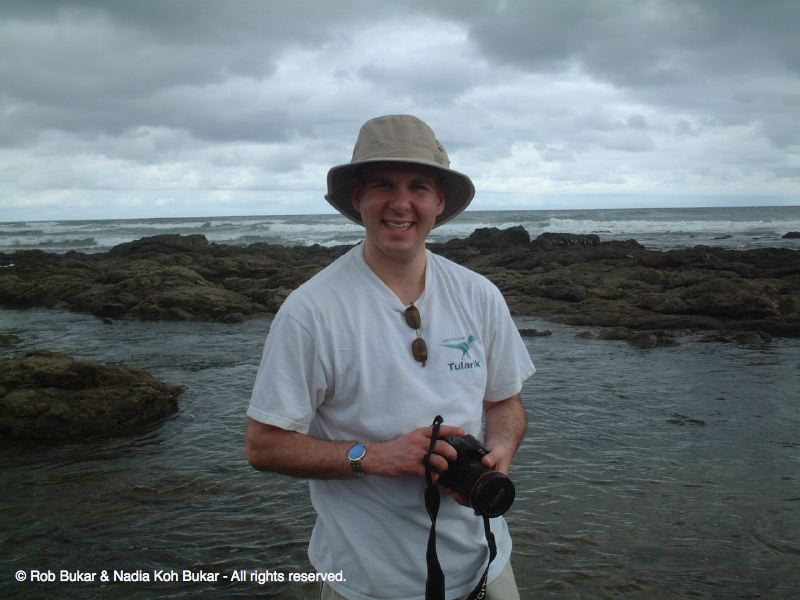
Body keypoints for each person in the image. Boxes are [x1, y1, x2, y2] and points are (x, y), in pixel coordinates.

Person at [246, 115, 535, 600]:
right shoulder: (311, 311)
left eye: (418, 187)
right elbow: (265, 445)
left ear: (439, 202)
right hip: (366, 583)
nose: (401, 204)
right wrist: (375, 457)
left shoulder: (479, 295)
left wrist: (502, 451)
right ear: (358, 198)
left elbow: (505, 403)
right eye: (383, 185)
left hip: (488, 566)